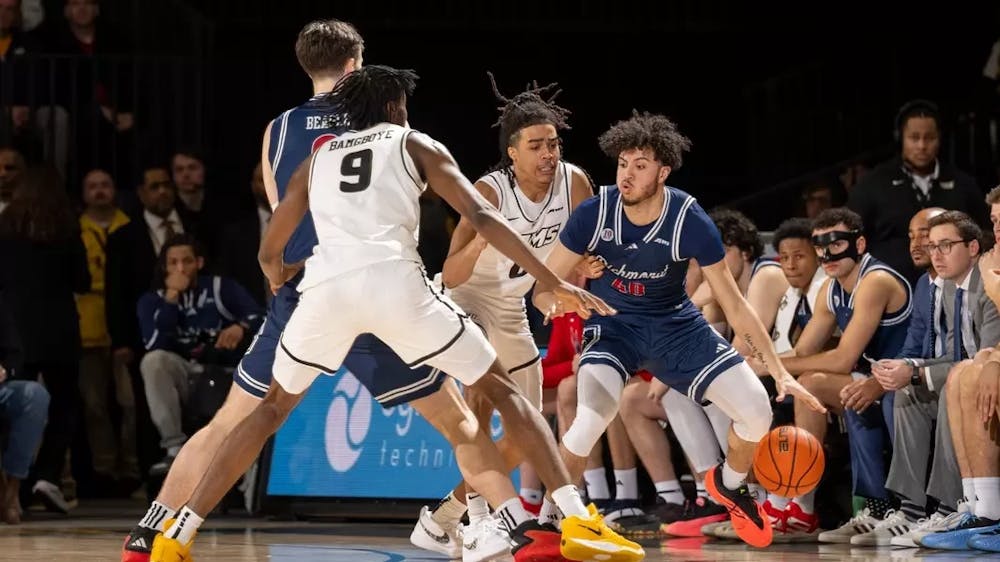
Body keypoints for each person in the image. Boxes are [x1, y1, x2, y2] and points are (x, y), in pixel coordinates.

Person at [149, 65, 643, 562]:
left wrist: (281, 276)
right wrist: (551, 277)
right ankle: (575, 517)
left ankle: (178, 534)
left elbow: (268, 252)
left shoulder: (315, 162)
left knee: (270, 410)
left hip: (325, 293)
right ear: (392, 107)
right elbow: (482, 217)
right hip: (395, 287)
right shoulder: (413, 143)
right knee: (500, 387)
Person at [532, 110, 826, 548]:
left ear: (662, 171)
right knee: (592, 415)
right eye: (622, 164)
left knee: (757, 411)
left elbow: (736, 306)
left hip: (675, 325)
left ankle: (728, 484)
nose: (627, 175)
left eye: (640, 165)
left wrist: (781, 373)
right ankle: (547, 519)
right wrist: (563, 299)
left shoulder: (689, 219)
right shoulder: (594, 214)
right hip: (615, 328)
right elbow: (542, 290)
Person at [412, 73, 596, 553]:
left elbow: (587, 243)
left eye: (553, 144)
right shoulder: (489, 191)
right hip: (466, 300)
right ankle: (477, 520)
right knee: (481, 402)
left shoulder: (574, 182)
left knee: (529, 423)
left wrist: (586, 265)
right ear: (512, 153)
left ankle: (444, 514)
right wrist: (478, 242)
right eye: (536, 146)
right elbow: (450, 274)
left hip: (512, 306)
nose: (548, 154)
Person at [748, 207, 912, 543]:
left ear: (860, 243)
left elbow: (842, 358)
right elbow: (805, 352)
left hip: (905, 379)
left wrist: (771, 366)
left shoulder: (876, 280)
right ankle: (803, 508)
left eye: (836, 245)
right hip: (869, 380)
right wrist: (761, 363)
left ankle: (890, 508)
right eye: (821, 247)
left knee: (816, 382)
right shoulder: (830, 289)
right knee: (808, 386)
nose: (827, 254)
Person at [848, 99, 986, 284]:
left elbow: (984, 232)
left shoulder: (963, 184)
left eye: (929, 138)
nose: (922, 146)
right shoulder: (873, 183)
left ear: (939, 138)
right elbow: (851, 235)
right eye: (914, 137)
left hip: (955, 288)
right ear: (900, 138)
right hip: (889, 289)